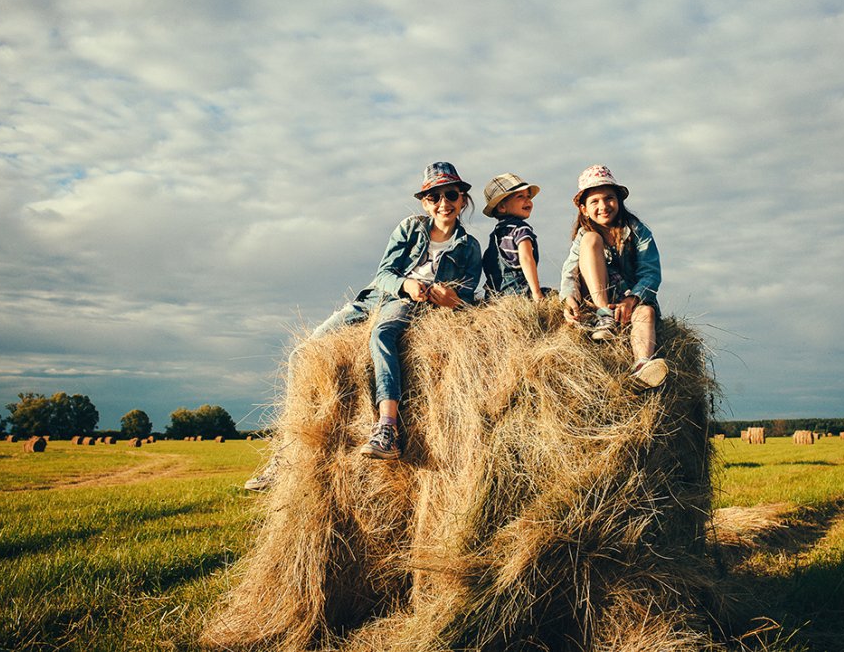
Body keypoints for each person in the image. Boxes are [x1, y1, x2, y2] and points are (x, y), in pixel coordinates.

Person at [244, 162, 481, 489]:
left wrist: (449, 296)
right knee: (303, 353)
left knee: (382, 333)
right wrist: (405, 284)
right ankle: (284, 458)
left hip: (411, 306)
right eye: (434, 197)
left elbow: (468, 296)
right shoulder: (409, 228)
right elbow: (383, 273)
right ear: (425, 203)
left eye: (451, 194)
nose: (444, 203)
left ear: (463, 198)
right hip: (378, 298)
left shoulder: (469, 247)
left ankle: (387, 429)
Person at [559, 164, 668, 390]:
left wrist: (634, 299)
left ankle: (641, 367)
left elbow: (651, 272)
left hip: (630, 299)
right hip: (599, 300)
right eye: (594, 201)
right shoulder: (584, 236)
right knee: (592, 240)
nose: (603, 206)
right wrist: (568, 298)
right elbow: (569, 270)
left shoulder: (638, 231)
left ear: (618, 200)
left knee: (646, 313)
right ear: (584, 209)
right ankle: (604, 315)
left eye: (609, 198)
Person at [481, 172, 544, 300]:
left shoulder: (496, 234)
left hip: (495, 297)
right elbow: (526, 259)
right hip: (519, 293)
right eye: (520, 196)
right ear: (502, 207)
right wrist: (537, 293)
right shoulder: (521, 229)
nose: (528, 201)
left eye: (528, 196)